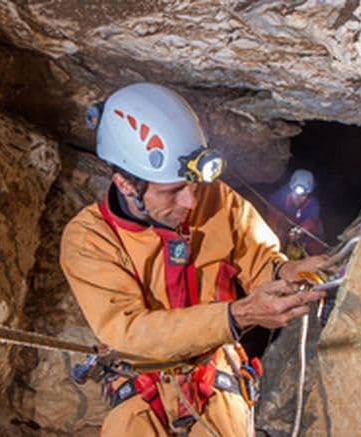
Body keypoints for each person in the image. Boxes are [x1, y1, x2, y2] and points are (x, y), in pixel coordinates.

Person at [60, 83, 325, 436]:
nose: (190, 201)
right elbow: (129, 332)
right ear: (126, 184)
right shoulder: (90, 239)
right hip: (141, 383)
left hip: (214, 374)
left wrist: (284, 272)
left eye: (193, 184)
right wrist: (235, 316)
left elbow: (259, 258)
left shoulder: (217, 200)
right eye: (172, 191)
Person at [266, 169, 326, 257]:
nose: (298, 198)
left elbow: (311, 222)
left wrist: (300, 231)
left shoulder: (313, 204)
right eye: (295, 194)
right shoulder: (282, 195)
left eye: (303, 195)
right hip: (285, 224)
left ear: (308, 194)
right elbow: (271, 211)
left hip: (301, 231)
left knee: (315, 244)